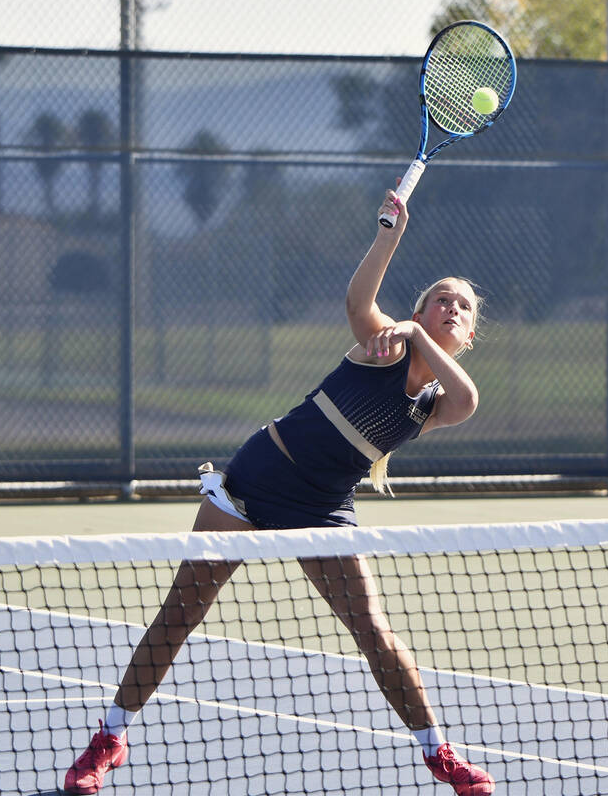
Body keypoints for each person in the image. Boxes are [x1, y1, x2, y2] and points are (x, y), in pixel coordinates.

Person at [64, 186, 494, 795]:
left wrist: (418, 334)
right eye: (440, 300)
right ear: (421, 311)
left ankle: (438, 753)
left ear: (469, 334)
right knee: (182, 613)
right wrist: (390, 234)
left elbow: (469, 399)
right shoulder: (381, 347)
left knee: (371, 628)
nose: (452, 308)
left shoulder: (436, 402)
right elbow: (357, 300)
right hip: (255, 481)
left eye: (464, 308)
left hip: (323, 507)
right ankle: (108, 739)